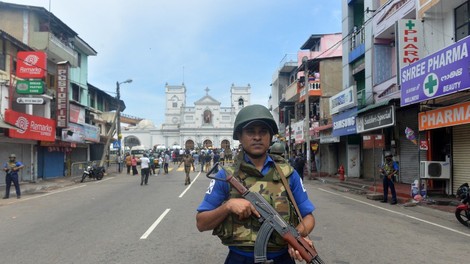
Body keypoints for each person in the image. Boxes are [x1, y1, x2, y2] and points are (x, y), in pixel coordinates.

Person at [196, 104, 316, 263]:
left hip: (282, 258)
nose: (257, 137)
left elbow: (308, 218)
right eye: (250, 132)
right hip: (240, 259)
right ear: (239, 136)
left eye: (263, 132)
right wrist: (228, 206)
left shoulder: (288, 174)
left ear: (270, 137)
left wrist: (297, 238)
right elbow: (201, 222)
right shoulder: (226, 175)